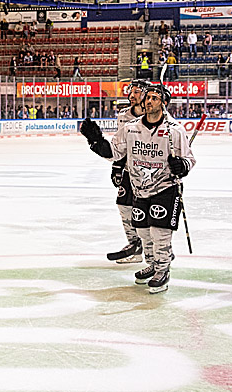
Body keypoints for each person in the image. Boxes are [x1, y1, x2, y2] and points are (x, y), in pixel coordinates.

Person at [80, 83, 195, 293]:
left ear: (164, 103)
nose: (148, 101)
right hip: (139, 188)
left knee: (160, 233)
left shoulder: (174, 130)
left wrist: (182, 166)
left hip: (165, 188)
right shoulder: (131, 128)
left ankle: (163, 270)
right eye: (147, 97)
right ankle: (152, 264)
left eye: (154, 98)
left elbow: (189, 159)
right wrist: (95, 141)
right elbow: (115, 152)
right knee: (144, 233)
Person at [86, 78, 150, 265]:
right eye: (130, 91)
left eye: (136, 91)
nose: (131, 95)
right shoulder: (123, 115)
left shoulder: (156, 114)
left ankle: (155, 250)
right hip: (130, 171)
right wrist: (117, 167)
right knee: (124, 206)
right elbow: (120, 147)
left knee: (147, 212)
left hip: (152, 172)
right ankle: (134, 246)